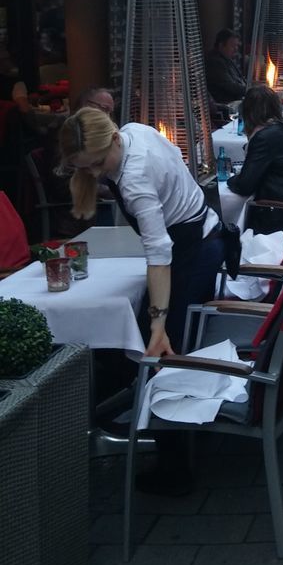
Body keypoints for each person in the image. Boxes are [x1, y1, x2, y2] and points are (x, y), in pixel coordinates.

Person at [59, 107, 228, 494]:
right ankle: (176, 429)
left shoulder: (133, 178)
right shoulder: (134, 129)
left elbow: (158, 251)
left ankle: (175, 470)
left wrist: (157, 323)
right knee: (154, 345)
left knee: (162, 355)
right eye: (87, 169)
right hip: (202, 235)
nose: (98, 173)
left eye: (99, 163)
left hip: (193, 252)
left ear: (115, 139)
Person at [226, 86, 283, 234]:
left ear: (249, 113)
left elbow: (244, 186)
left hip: (280, 213)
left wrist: (229, 180)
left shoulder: (264, 137)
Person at [205, 29, 246, 105]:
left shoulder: (227, 58)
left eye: (237, 46)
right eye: (232, 46)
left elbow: (239, 79)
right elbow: (231, 86)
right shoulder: (215, 62)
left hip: (236, 100)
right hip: (227, 104)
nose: (236, 49)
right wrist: (250, 90)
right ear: (221, 45)